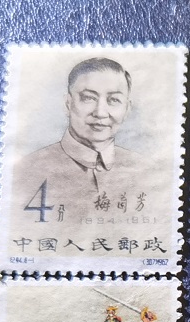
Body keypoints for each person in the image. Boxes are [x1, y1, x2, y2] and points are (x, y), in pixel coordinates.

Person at [14, 57, 151, 216]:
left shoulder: (149, 172)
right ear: (68, 104)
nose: (100, 112)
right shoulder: (25, 171)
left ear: (127, 109)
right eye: (88, 98)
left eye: (114, 100)